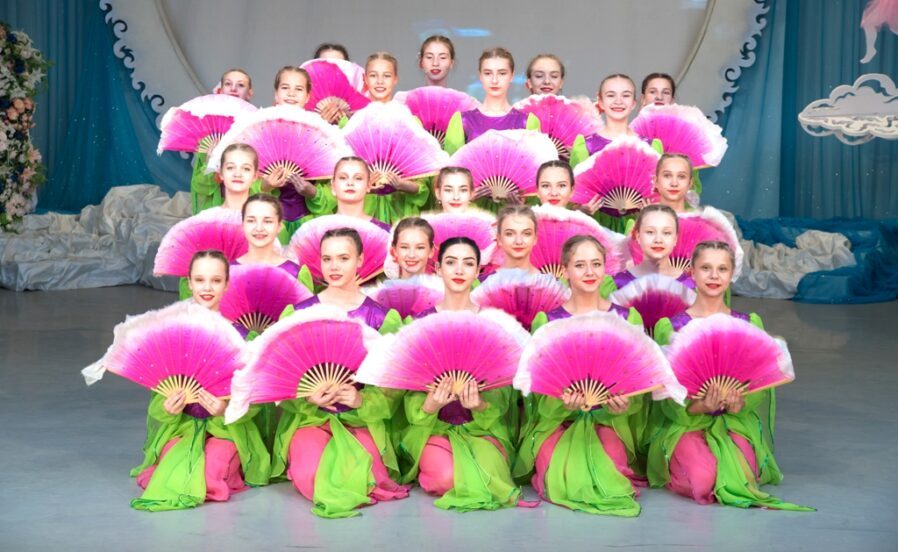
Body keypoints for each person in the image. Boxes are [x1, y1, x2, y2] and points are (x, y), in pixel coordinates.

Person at [647, 242, 812, 511]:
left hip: (735, 422)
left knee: (739, 478)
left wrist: (740, 403)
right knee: (703, 482)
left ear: (732, 273)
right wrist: (700, 405)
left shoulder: (748, 325)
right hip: (687, 423)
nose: (714, 276)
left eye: (722, 269)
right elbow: (665, 399)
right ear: (691, 272)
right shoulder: (671, 328)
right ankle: (682, 463)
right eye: (706, 268)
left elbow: (760, 386)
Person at [271, 228, 408, 517]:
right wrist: (307, 398)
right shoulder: (298, 314)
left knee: (369, 478)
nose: (334, 266)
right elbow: (279, 378)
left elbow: (392, 390)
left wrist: (361, 400)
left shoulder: (382, 318)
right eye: (327, 259)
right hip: (310, 418)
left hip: (361, 420)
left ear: (360, 260)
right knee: (310, 476)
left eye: (343, 258)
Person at [131, 250, 270, 511]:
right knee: (173, 466)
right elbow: (157, 400)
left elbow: (257, 403)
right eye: (200, 280)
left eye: (216, 280)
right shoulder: (173, 335)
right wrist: (169, 408)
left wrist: (225, 409)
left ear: (227, 284)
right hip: (183, 426)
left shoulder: (243, 338)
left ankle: (227, 468)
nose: (207, 288)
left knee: (209, 475)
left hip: (228, 429)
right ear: (189, 283)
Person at [400, 238, 527, 511]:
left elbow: (502, 393)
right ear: (438, 269)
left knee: (491, 479)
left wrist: (479, 405)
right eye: (451, 262)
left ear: (478, 271)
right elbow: (409, 389)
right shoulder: (420, 324)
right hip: (433, 428)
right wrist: (429, 405)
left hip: (483, 428)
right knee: (445, 479)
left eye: (468, 263)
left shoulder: (492, 324)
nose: (459, 270)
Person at [444, 47, 540, 155]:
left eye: (502, 73)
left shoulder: (527, 122)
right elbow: (452, 164)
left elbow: (534, 162)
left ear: (512, 76)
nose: (494, 80)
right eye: (488, 73)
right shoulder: (462, 121)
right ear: (480, 76)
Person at [192, 69, 255, 214]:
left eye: (240, 85)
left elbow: (259, 183)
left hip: (246, 208)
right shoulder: (209, 131)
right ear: (220, 90)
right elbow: (200, 187)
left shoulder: (255, 128)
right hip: (215, 206)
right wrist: (209, 163)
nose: (233, 88)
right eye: (228, 84)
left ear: (250, 93)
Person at [611, 204, 694, 291]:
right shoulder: (618, 282)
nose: (658, 240)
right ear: (638, 236)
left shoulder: (689, 285)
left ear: (675, 239)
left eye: (666, 233)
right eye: (650, 232)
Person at [569, 74, 640, 166]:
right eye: (610, 95)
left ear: (634, 103)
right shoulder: (585, 146)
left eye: (626, 95)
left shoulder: (650, 147)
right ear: (601, 102)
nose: (618, 101)